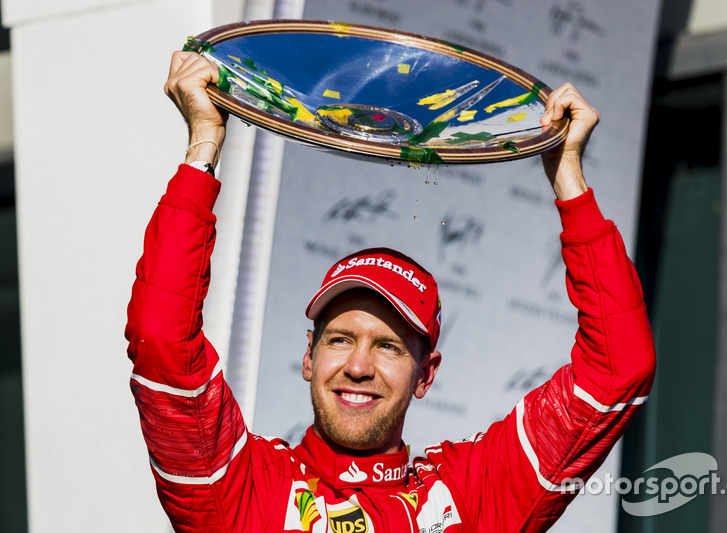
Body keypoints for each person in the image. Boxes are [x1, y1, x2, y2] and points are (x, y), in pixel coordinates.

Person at [125, 50, 656, 532]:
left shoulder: (471, 497)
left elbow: (618, 367)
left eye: (388, 345)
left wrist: (567, 177)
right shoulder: (242, 491)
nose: (358, 366)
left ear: (427, 373)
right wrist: (203, 145)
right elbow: (161, 341)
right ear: (307, 357)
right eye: (338, 339)